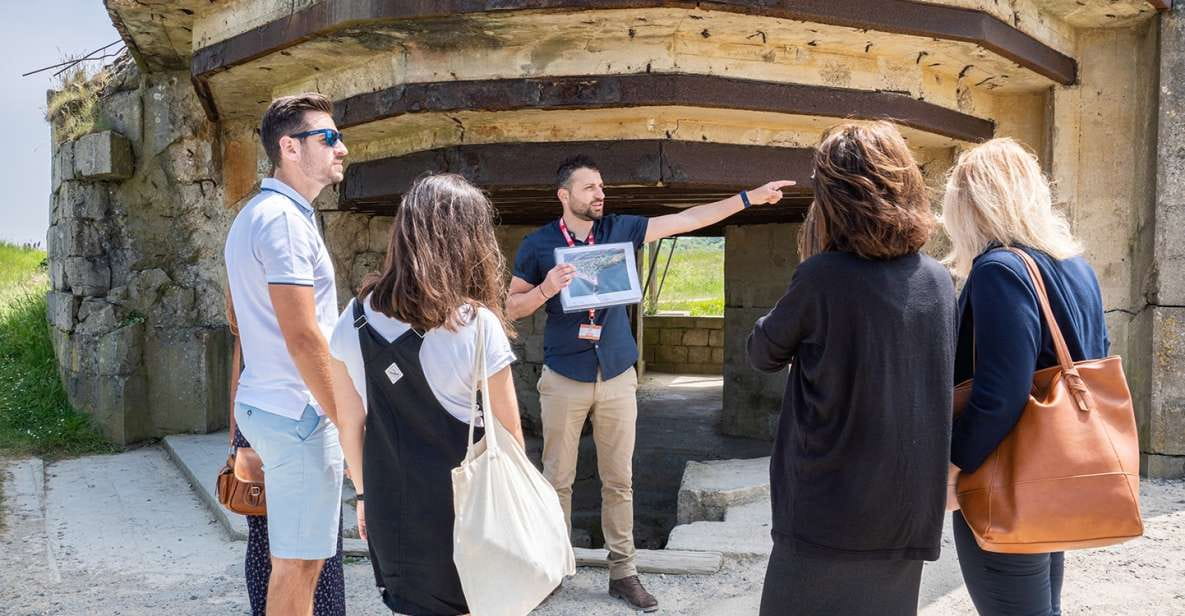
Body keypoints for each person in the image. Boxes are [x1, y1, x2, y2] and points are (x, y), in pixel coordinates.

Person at [507, 154, 793, 611]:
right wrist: (547, 288)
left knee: (619, 480)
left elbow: (689, 219)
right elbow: (511, 307)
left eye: (602, 187)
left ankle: (624, 573)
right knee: (556, 479)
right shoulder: (538, 244)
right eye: (589, 188)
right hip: (564, 376)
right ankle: (553, 567)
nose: (600, 194)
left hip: (617, 374)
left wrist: (748, 199)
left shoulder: (620, 229)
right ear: (564, 195)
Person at [746, 121, 955, 616]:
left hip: (827, 506)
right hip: (907, 508)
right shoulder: (937, 279)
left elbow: (763, 352)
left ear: (834, 198)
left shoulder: (821, 277)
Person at [328, 173, 526, 615]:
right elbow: (510, 434)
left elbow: (350, 425)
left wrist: (364, 496)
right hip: (464, 511)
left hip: (390, 505)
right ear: (469, 241)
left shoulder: (352, 320)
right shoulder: (476, 325)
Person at [942, 138, 1108, 616]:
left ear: (971, 204)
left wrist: (955, 463)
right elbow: (1095, 357)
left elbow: (1001, 390)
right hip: (1054, 466)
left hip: (1006, 474)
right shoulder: (1075, 266)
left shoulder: (999, 269)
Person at [223, 92, 349, 616]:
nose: (342, 148)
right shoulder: (283, 222)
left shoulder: (261, 214)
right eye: (329, 137)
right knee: (299, 567)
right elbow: (303, 337)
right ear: (290, 148)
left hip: (274, 406)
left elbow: (243, 321)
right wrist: (348, 422)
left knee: (301, 562)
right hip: (298, 415)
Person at [227, 298, 347, 616]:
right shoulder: (294, 289)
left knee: (264, 533)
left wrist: (234, 430)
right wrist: (346, 426)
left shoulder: (247, 290)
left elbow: (240, 357)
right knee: (315, 540)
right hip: (299, 413)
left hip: (257, 413)